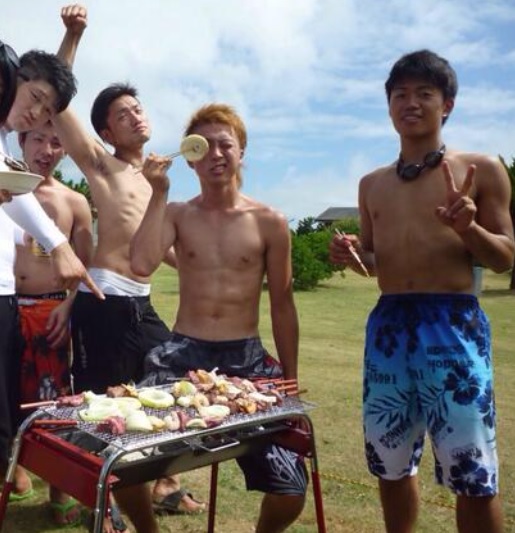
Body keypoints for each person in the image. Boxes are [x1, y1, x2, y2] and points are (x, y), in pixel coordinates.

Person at [329, 49, 514, 533]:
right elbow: (376, 262)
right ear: (388, 105)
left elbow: (505, 257)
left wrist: (469, 229)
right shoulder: (371, 184)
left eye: (424, 93)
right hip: (389, 325)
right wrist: (352, 254)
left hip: (452, 325)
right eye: (400, 94)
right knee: (389, 462)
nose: (410, 103)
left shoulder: (481, 169)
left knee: (472, 471)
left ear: (446, 104)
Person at [52, 8, 204, 531]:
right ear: (105, 130)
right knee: (103, 406)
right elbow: (58, 101)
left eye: (139, 109)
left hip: (141, 304)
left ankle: (160, 485)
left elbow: (166, 253)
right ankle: (104, 503)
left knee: (170, 390)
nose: (136, 117)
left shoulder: (156, 179)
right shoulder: (103, 165)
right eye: (123, 114)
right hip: (104, 303)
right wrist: (72, 36)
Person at [130, 103, 307, 533]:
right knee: (124, 463)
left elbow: (282, 304)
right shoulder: (178, 213)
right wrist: (157, 193)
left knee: (291, 489)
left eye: (225, 144)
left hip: (246, 358)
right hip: (182, 355)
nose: (215, 154)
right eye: (203, 146)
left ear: (241, 151)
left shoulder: (269, 222)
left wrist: (290, 376)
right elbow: (140, 263)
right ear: (190, 158)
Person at [0, 37, 101, 496]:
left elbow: (16, 193)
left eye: (47, 112)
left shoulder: (9, 146)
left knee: (27, 408)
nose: (36, 114)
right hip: (9, 299)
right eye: (35, 98)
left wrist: (61, 249)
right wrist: (58, 244)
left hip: (19, 305)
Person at [10, 120, 93, 526]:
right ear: (21, 141)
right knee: (6, 394)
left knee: (52, 404)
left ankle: (59, 491)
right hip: (7, 306)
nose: (46, 149)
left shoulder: (74, 201)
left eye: (56, 142)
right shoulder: (6, 190)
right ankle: (14, 472)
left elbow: (86, 263)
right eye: (38, 139)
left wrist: (69, 305)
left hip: (51, 312)